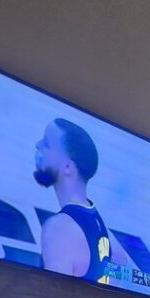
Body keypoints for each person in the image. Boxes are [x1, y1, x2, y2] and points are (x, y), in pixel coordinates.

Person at [33, 118, 129, 283]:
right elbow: (122, 261)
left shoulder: (59, 228)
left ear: (68, 168)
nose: (38, 145)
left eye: (46, 144)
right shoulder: (96, 219)